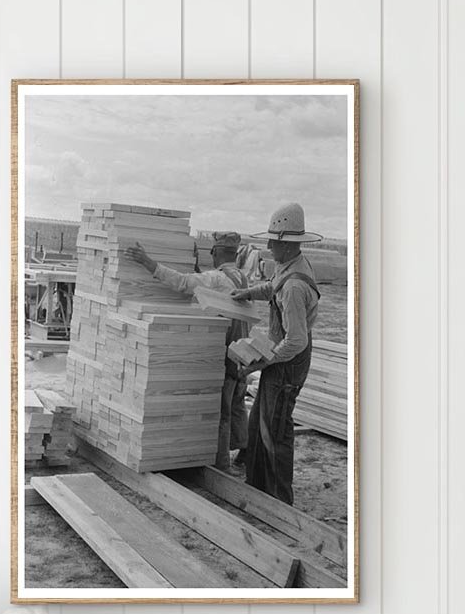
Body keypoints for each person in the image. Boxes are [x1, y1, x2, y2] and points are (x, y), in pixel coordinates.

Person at [126, 231, 251, 472]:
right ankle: (245, 453)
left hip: (224, 352)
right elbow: (207, 282)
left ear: (216, 253)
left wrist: (147, 262)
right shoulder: (240, 277)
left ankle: (221, 465)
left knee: (221, 412)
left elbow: (184, 283)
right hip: (242, 351)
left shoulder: (216, 278)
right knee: (237, 404)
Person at [231, 202, 322, 505]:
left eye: (273, 242)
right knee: (260, 420)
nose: (268, 247)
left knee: (276, 428)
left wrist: (262, 362)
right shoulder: (291, 265)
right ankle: (258, 484)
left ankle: (279, 498)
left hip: (288, 363)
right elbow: (272, 286)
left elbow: (295, 340)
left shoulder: (295, 286)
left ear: (286, 244)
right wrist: (247, 293)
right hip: (281, 358)